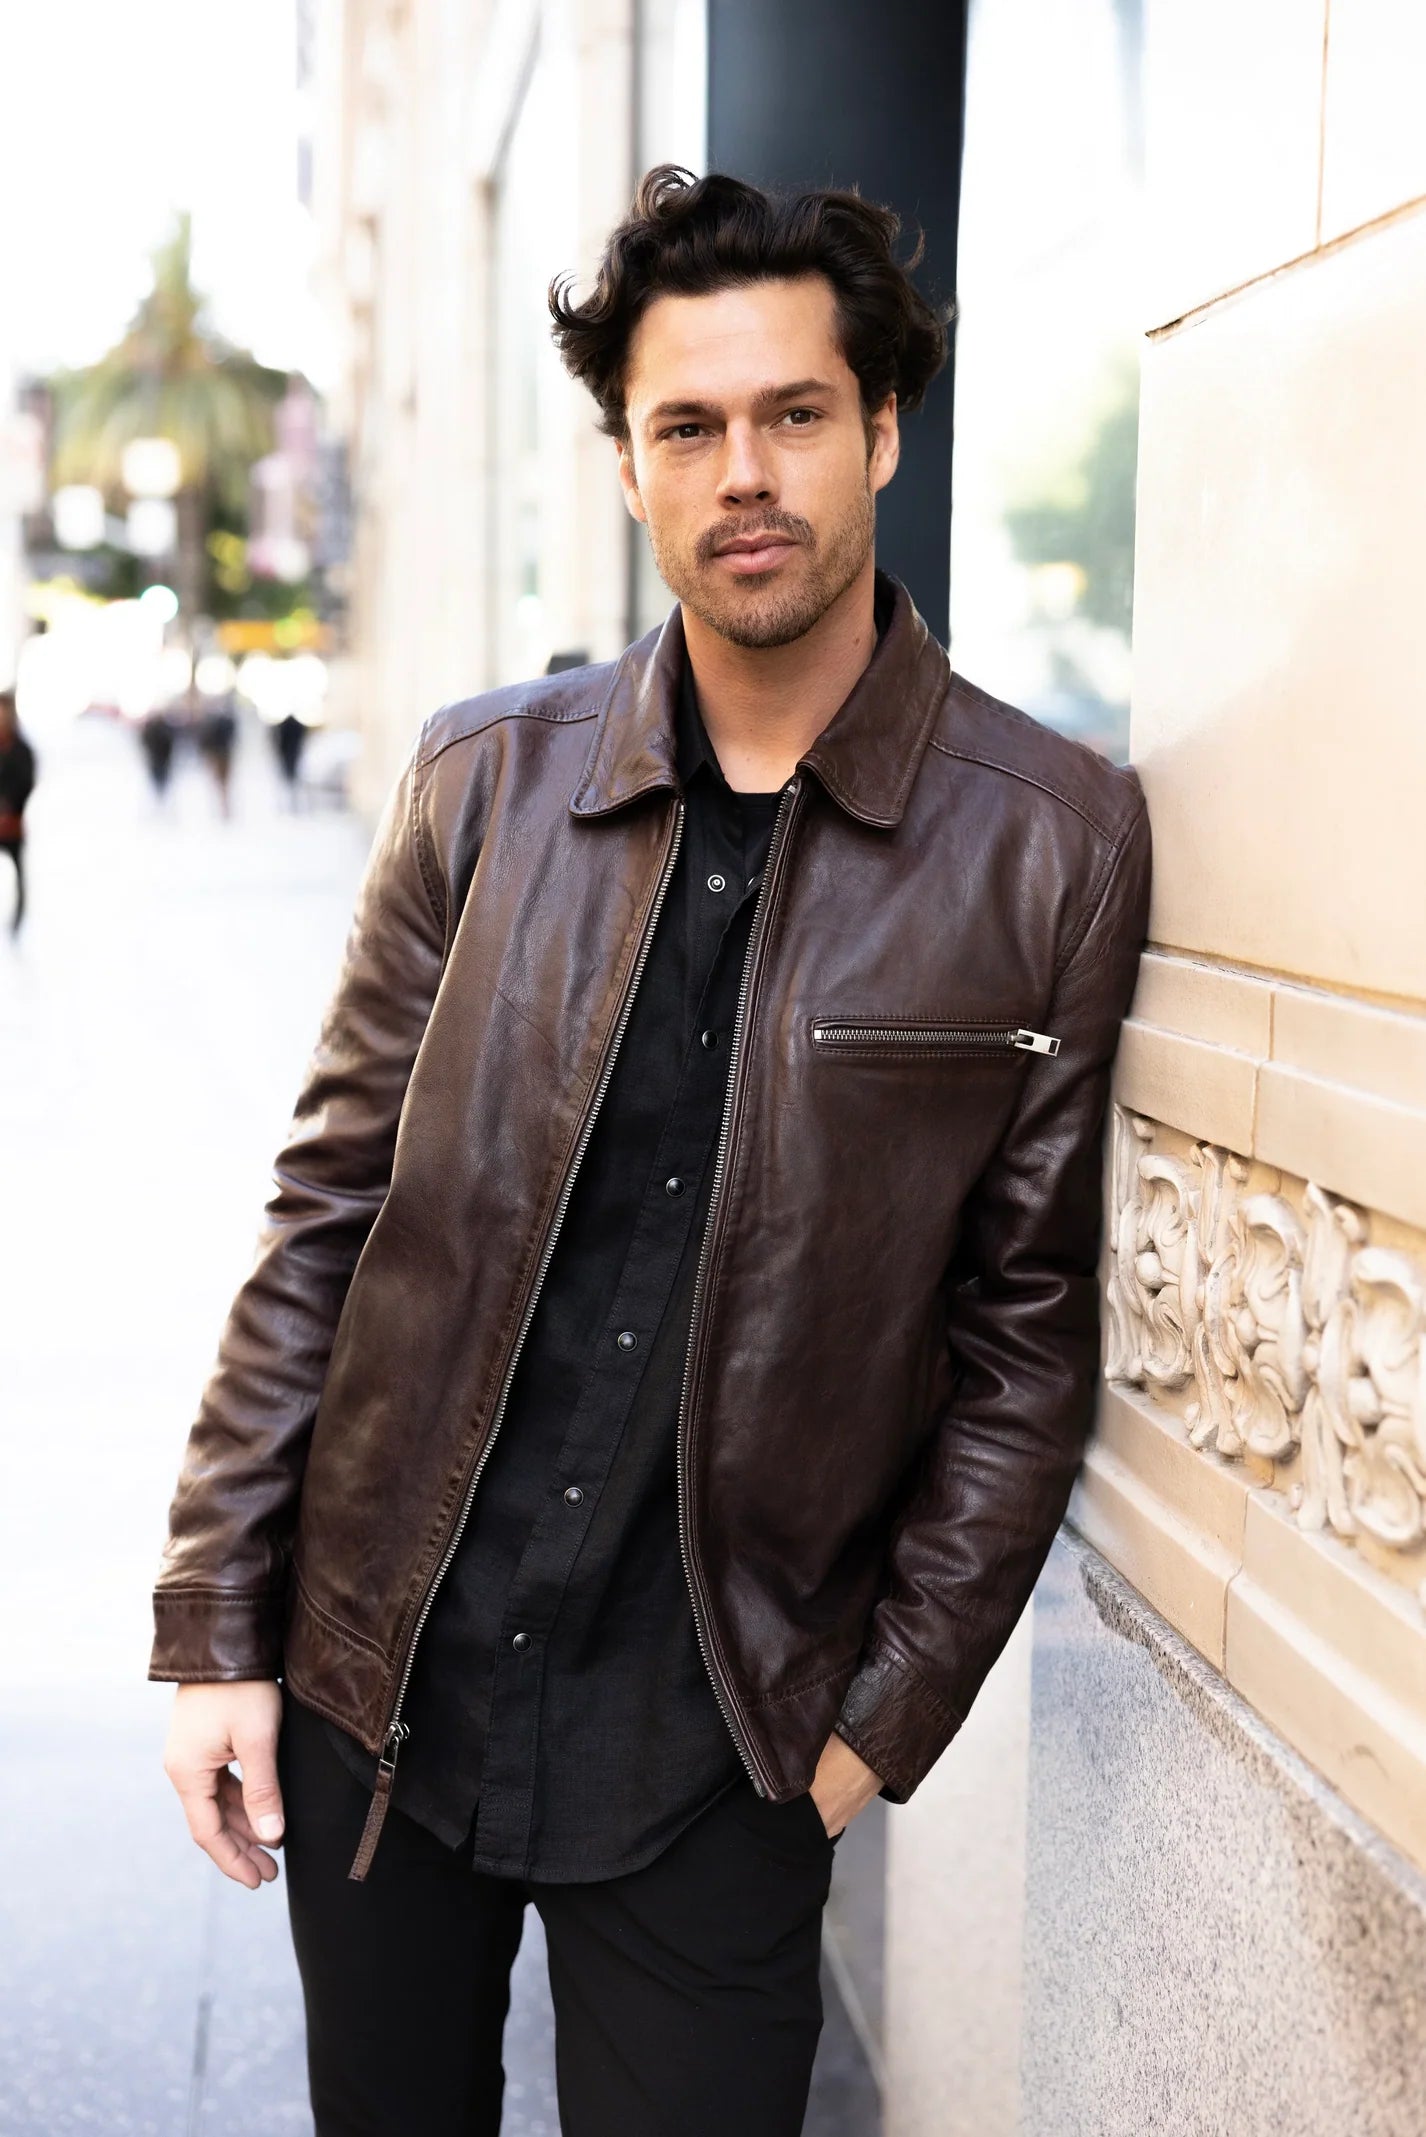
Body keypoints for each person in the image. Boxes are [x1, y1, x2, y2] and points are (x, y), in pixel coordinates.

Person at [152, 167, 1152, 2137]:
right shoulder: (481, 783)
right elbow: (326, 1216)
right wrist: (215, 1624)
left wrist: (870, 1731)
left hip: (722, 1743)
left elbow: (1023, 1337)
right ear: (625, 467)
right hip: (385, 1685)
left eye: (793, 413)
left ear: (881, 430)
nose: (742, 472)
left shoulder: (1047, 841)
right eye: (686, 426)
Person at [0, 688, 36, 935]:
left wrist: (10, 804)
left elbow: (27, 781)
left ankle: (17, 922)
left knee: (19, 875)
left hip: (13, 823)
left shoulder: (21, 748)